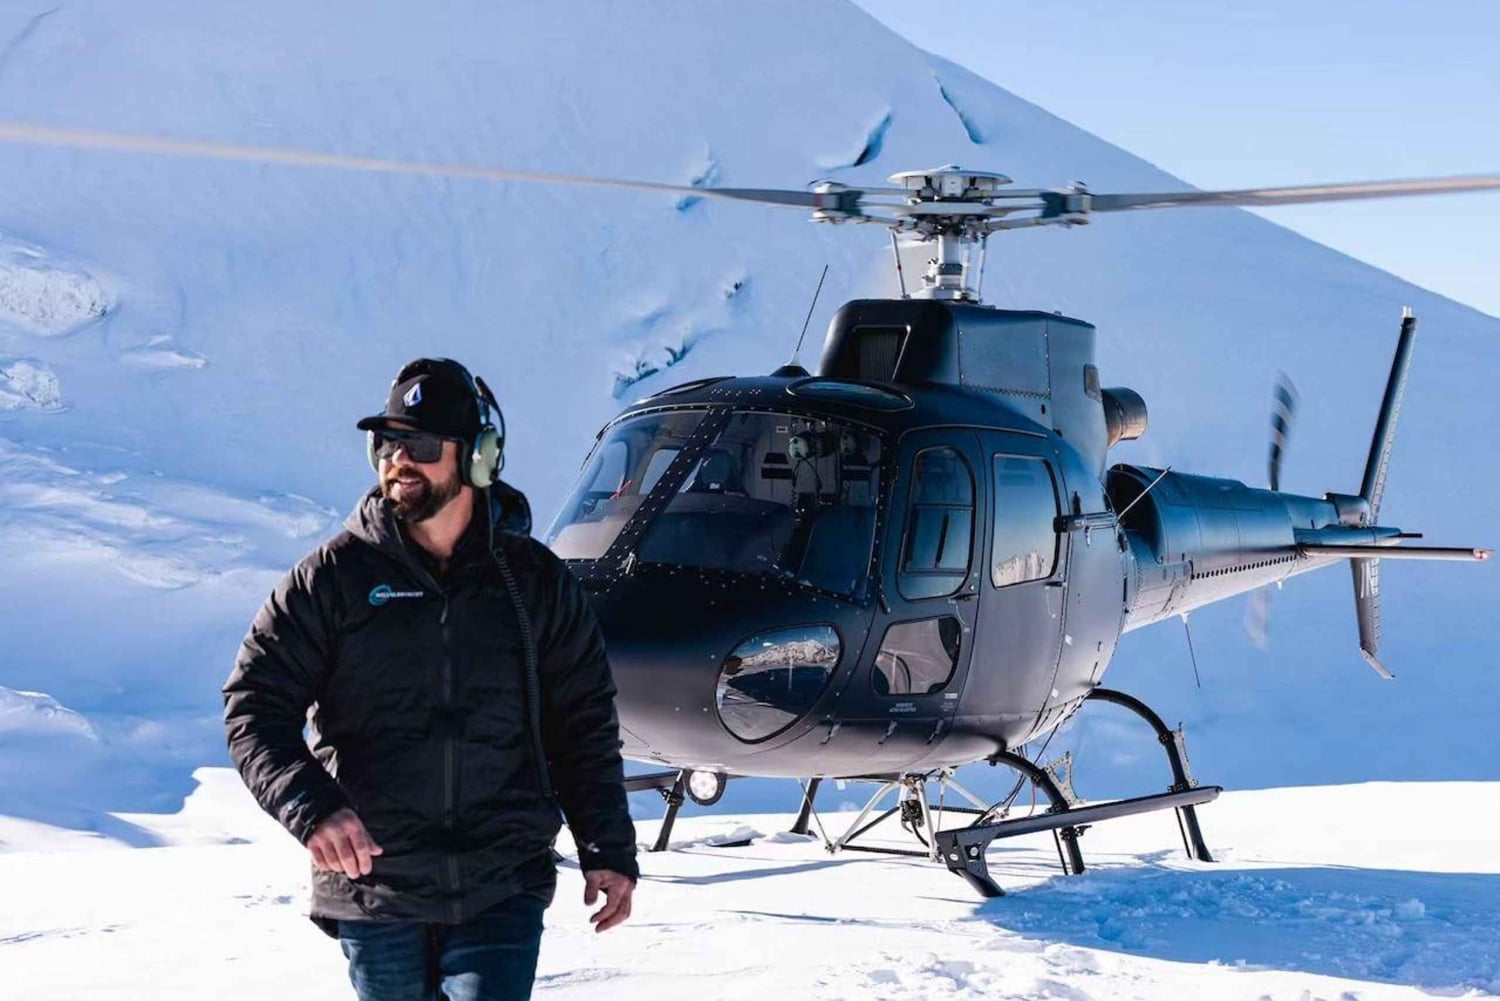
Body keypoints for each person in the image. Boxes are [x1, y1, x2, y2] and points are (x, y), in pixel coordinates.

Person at [223, 357, 637, 1001]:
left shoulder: (534, 583)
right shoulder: (330, 580)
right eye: (385, 444)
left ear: (477, 458)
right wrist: (314, 809)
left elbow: (581, 722)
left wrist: (606, 845)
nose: (398, 460)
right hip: (375, 889)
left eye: (418, 445)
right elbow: (254, 708)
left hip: (501, 882)